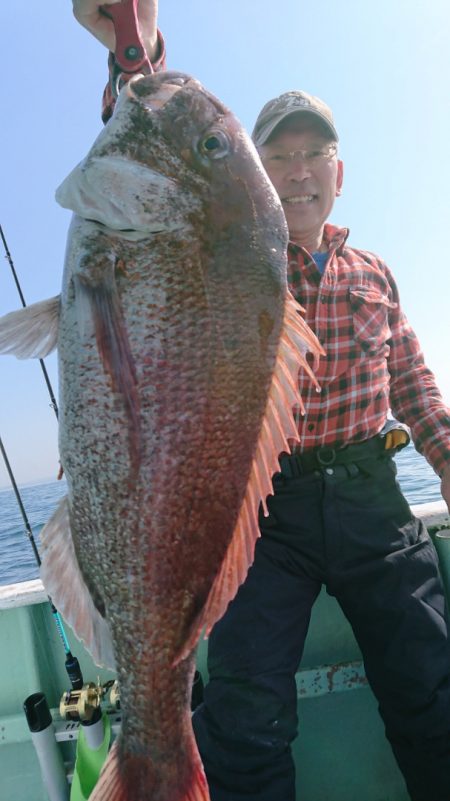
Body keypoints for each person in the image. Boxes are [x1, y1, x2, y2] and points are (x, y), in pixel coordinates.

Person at [74, 3, 450, 800]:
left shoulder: (376, 273)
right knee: (244, 710)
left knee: (431, 679)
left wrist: (446, 461)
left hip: (371, 501)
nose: (301, 168)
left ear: (339, 173)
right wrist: (130, 54)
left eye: (317, 153)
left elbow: (418, 390)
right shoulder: (237, 261)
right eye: (280, 156)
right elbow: (159, 174)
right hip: (265, 514)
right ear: (260, 180)